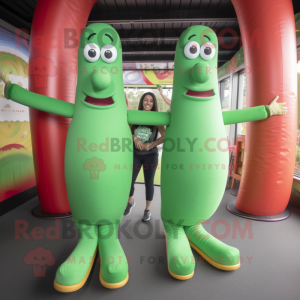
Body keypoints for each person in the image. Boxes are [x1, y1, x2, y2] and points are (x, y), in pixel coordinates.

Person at [124, 92, 166, 221]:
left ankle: (147, 210)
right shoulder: (136, 116)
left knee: (149, 183)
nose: (148, 103)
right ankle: (130, 202)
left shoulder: (156, 118)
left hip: (150, 155)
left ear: (154, 103)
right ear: (142, 101)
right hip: (135, 155)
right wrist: (135, 137)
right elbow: (126, 130)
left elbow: (165, 136)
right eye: (146, 100)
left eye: (151, 101)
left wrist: (152, 144)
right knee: (129, 181)